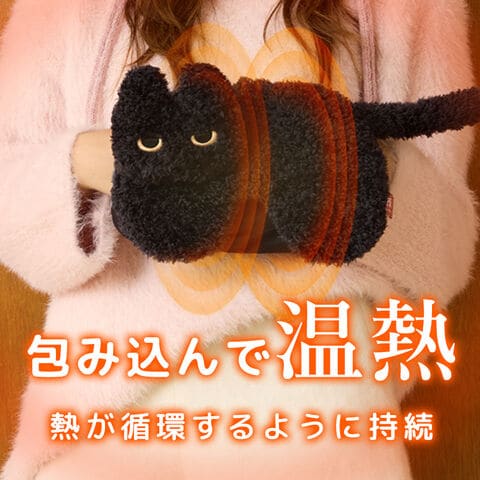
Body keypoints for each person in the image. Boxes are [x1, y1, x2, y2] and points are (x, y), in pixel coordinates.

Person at [0, 0, 476, 478]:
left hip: (320, 405)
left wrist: (348, 172)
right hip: (109, 403)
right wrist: (93, 159)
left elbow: (445, 245)